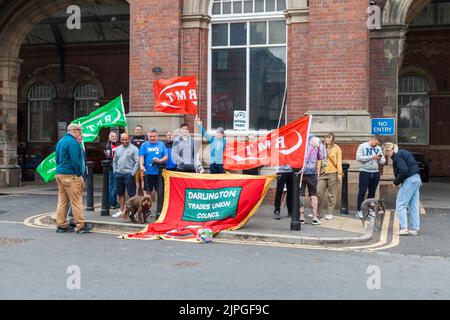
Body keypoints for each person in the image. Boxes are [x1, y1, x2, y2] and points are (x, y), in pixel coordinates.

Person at [55, 123, 92, 234]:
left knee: (62, 201)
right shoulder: (73, 143)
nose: (80, 134)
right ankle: (80, 225)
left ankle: (61, 225)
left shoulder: (61, 141)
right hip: (70, 175)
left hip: (60, 173)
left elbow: (57, 158)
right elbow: (75, 161)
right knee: (76, 201)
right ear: (75, 131)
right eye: (80, 131)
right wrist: (78, 174)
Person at [383, 143, 421, 236]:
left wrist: (396, 182)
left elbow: (403, 171)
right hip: (416, 178)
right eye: (385, 152)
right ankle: (414, 228)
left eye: (387, 151)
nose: (387, 154)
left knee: (400, 204)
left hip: (409, 180)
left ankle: (404, 228)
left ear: (391, 149)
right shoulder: (403, 152)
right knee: (413, 205)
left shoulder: (397, 156)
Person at [356, 135, 386, 219]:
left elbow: (383, 161)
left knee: (372, 193)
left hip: (375, 172)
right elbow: (358, 158)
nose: (377, 144)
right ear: (373, 140)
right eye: (376, 142)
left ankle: (369, 211)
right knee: (362, 192)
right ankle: (360, 211)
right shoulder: (362, 146)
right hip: (365, 172)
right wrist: (371, 157)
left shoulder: (379, 148)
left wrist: (379, 158)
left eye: (378, 143)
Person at [300, 135, 327, 225]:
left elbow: (321, 156)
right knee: (307, 195)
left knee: (307, 195)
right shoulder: (306, 140)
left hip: (306, 172)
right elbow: (322, 156)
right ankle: (306, 217)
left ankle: (309, 217)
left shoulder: (303, 138)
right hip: (304, 172)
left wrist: (318, 146)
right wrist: (315, 147)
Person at [112, 133, 140, 218]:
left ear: (129, 139)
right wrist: (115, 171)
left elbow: (137, 162)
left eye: (126, 139)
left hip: (129, 174)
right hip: (119, 174)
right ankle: (121, 210)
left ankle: (133, 212)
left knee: (131, 194)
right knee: (120, 193)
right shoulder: (118, 149)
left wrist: (133, 173)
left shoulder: (134, 149)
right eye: (122, 139)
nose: (124, 141)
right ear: (120, 139)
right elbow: (115, 161)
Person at [317, 133, 343, 220]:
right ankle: (317, 212)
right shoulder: (321, 147)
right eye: (326, 138)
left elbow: (339, 161)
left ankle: (330, 213)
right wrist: (317, 171)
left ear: (333, 139)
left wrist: (339, 173)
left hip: (333, 172)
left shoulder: (336, 148)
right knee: (318, 192)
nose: (327, 140)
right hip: (322, 173)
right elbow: (318, 160)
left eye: (329, 138)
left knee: (332, 194)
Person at [139, 129, 168, 205]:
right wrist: (141, 166)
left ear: (157, 136)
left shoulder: (161, 144)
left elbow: (166, 157)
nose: (152, 138)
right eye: (150, 137)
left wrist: (160, 160)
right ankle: (147, 210)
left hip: (159, 173)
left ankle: (158, 211)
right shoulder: (144, 145)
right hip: (148, 172)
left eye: (154, 136)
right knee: (148, 192)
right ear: (148, 137)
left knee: (159, 191)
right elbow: (141, 157)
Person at [131, 125, 147, 196]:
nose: (138, 131)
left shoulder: (145, 138)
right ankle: (136, 195)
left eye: (139, 129)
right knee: (136, 180)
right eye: (137, 129)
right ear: (135, 131)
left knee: (143, 179)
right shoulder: (132, 139)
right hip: (135, 162)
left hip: (143, 162)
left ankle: (144, 195)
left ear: (142, 131)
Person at [104, 131, 119, 209]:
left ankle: (114, 201)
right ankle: (111, 203)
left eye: (115, 136)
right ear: (109, 138)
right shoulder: (108, 146)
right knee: (112, 186)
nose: (114, 137)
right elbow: (109, 157)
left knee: (116, 186)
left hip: (117, 168)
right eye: (113, 136)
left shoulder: (116, 145)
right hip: (111, 168)